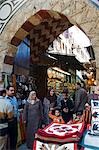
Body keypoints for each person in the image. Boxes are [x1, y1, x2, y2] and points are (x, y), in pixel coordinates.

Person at [5, 85, 18, 150]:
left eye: (13, 90)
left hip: (14, 120)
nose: (13, 92)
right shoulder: (4, 99)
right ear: (7, 91)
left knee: (14, 137)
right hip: (7, 121)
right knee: (7, 138)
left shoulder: (14, 98)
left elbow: (16, 109)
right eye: (11, 90)